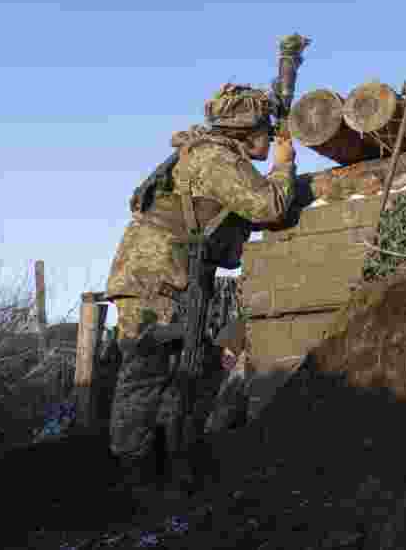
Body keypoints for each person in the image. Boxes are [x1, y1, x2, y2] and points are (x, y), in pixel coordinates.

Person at [103, 83, 296, 496]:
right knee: (145, 375)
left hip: (164, 276)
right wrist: (284, 164)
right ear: (249, 133)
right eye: (268, 130)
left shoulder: (214, 153)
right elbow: (270, 206)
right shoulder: (215, 159)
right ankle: (133, 477)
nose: (274, 137)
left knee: (192, 367)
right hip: (155, 278)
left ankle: (170, 464)